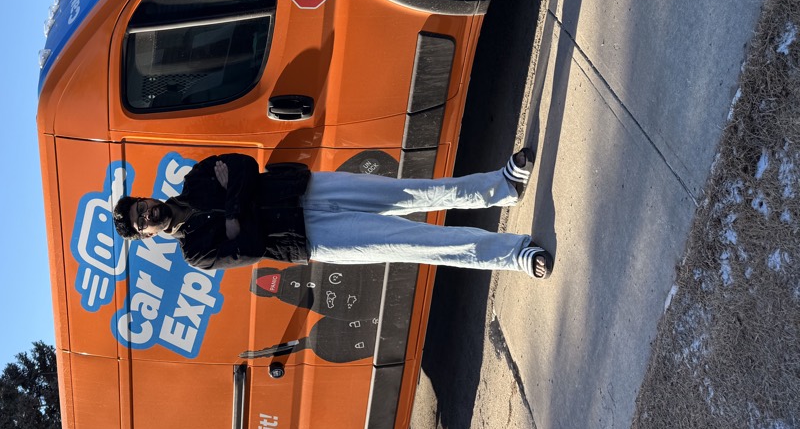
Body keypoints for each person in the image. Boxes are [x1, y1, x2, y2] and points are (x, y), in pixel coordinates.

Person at [112, 150, 553, 279]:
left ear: (146, 197)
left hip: (306, 187)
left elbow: (245, 163)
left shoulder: (194, 178)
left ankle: (500, 186)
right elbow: (249, 250)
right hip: (312, 236)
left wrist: (236, 212)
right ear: (147, 235)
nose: (147, 213)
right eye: (141, 222)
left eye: (141, 206)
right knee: (416, 242)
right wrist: (235, 201)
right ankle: (515, 255)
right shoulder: (195, 250)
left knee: (415, 192)